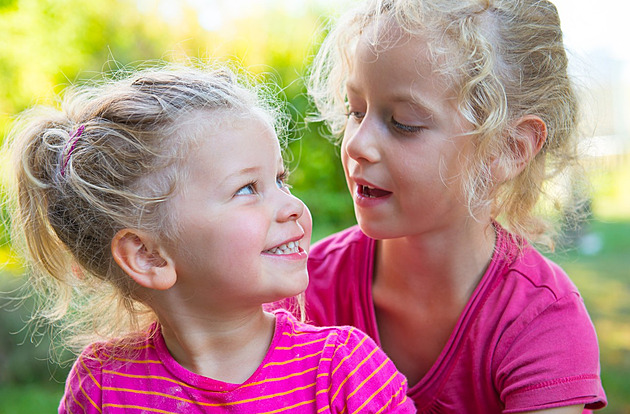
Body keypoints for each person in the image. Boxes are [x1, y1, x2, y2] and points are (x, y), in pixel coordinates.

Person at [6, 64, 415, 413]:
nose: (293, 207)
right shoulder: (102, 388)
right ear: (148, 255)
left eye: (279, 180)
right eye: (247, 189)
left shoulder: (342, 370)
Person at [304, 0, 607, 412]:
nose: (356, 144)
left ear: (506, 149)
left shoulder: (542, 325)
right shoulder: (304, 290)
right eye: (355, 110)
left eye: (404, 123)